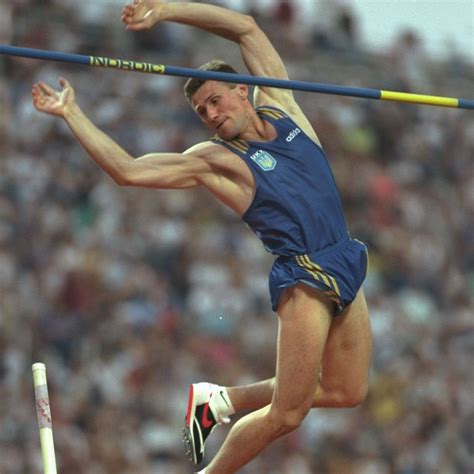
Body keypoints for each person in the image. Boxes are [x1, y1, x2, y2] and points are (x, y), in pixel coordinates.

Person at [32, 1, 372, 472]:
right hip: (306, 275)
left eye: (215, 101)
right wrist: (72, 114)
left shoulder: (284, 104)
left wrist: (166, 10)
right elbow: (128, 171)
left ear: (243, 89)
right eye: (200, 111)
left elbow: (246, 29)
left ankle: (219, 401)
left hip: (345, 256)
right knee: (288, 414)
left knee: (345, 391)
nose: (210, 115)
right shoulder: (218, 161)